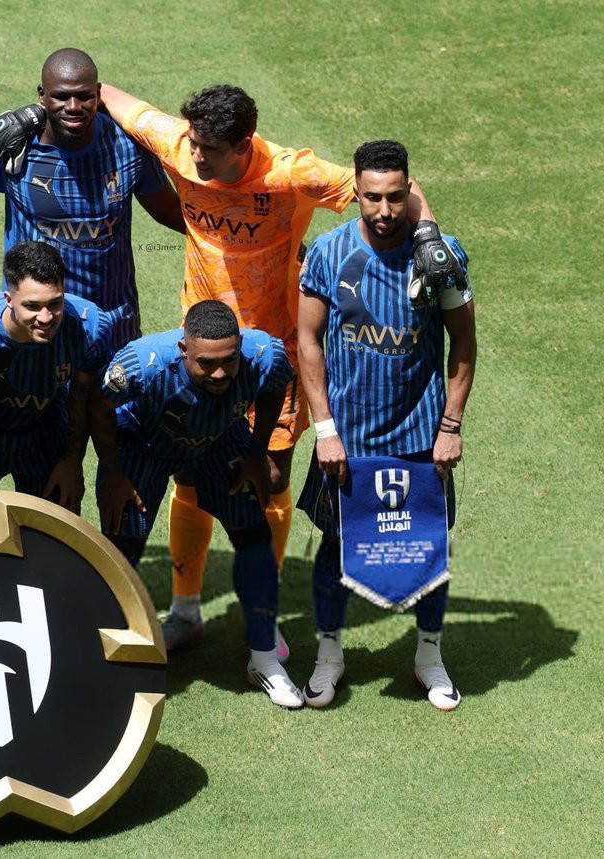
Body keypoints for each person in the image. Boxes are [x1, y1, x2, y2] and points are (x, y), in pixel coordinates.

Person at [96, 81, 459, 655]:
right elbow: (105, 95)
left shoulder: (291, 173)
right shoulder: (180, 142)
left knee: (267, 478)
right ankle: (185, 610)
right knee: (189, 476)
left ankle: (261, 615)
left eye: (209, 151)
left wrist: (429, 235)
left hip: (274, 357)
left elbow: (397, 189)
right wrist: (34, 114)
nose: (195, 157)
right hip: (201, 356)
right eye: (193, 144)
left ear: (243, 145)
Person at [295, 139, 475, 710]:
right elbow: (307, 341)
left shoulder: (442, 256)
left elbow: (463, 342)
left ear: (408, 191)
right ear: (356, 193)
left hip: (420, 438)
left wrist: (450, 426)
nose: (384, 210)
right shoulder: (328, 253)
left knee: (429, 547)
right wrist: (324, 429)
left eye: (395, 196)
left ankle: (429, 656)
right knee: (333, 546)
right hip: (347, 440)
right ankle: (329, 655)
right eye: (372, 197)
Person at [96, 300, 304, 708]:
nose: (220, 373)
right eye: (206, 364)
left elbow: (274, 386)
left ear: (240, 346)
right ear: (183, 350)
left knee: (254, 535)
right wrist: (115, 473)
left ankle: (264, 659)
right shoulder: (139, 364)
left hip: (219, 440)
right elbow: (99, 406)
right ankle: (110, 658)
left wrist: (255, 452)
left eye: (228, 361)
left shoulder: (265, 354)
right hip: (145, 444)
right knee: (122, 549)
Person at [0, 48, 183, 352]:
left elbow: (169, 211)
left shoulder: (127, 147)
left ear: (99, 94)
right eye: (61, 97)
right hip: (38, 323)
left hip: (114, 322)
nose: (74, 107)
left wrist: (232, 232)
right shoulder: (14, 152)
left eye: (84, 96)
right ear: (42, 96)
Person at [0, 241, 112, 510]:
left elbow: (82, 395)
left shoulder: (90, 326)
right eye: (32, 306)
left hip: (44, 430)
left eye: (55, 303)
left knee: (56, 526)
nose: (45, 317)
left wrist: (71, 462)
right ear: (8, 300)